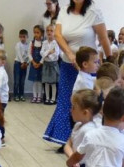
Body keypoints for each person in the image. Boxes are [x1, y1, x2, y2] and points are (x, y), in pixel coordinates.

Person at [43, 0, 111, 146]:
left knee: (89, 101)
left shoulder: (94, 11)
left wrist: (110, 59)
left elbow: (103, 37)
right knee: (66, 101)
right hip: (68, 64)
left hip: (88, 66)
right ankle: (65, 139)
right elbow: (58, 35)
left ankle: (90, 137)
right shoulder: (64, 10)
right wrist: (70, 54)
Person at [40, 24, 60, 105]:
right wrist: (49, 52)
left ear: (54, 32)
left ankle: (53, 98)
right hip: (46, 64)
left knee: (53, 83)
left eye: (51, 31)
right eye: (47, 30)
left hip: (53, 64)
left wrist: (47, 55)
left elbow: (56, 53)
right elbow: (41, 52)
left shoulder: (56, 43)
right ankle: (47, 98)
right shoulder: (44, 42)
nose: (49, 32)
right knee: (46, 82)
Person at [28, 25, 44, 103]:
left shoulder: (44, 43)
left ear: (42, 33)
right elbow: (29, 53)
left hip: (41, 65)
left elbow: (44, 55)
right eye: (35, 32)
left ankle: (39, 96)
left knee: (40, 81)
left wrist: (40, 63)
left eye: (38, 32)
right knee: (34, 81)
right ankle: (34, 96)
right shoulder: (31, 43)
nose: (36, 34)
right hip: (33, 64)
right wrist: (33, 62)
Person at [13, 29, 29, 101]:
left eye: (24, 37)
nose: (22, 38)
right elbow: (19, 54)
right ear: (19, 37)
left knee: (22, 81)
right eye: (21, 37)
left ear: (27, 37)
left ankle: (21, 95)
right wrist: (22, 62)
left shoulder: (28, 45)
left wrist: (27, 62)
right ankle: (16, 95)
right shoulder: (18, 45)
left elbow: (28, 55)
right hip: (18, 63)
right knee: (17, 81)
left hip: (24, 64)